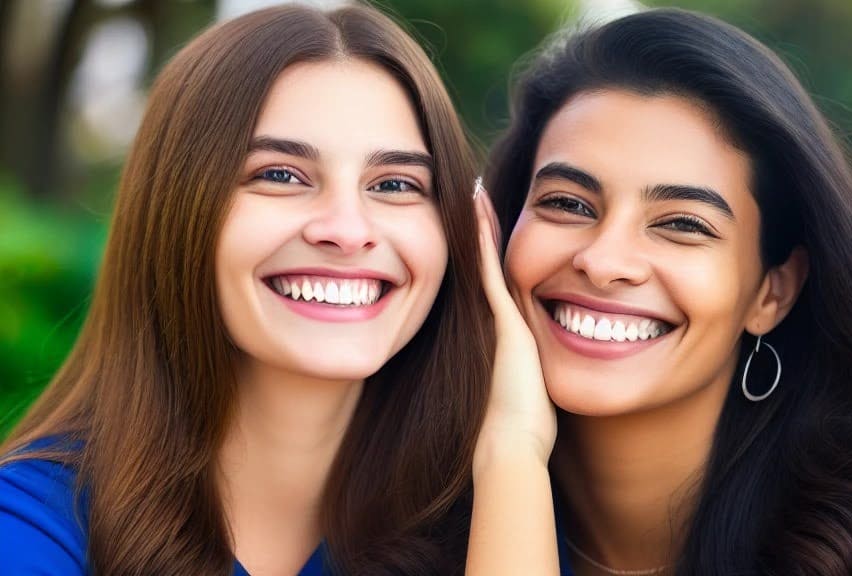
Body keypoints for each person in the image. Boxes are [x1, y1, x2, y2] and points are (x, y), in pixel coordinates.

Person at [469, 8, 852, 575]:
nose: (602, 262)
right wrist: (510, 457)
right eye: (567, 203)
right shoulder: (399, 517)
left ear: (772, 293)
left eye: (682, 224)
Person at [0, 4, 490, 574]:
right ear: (176, 211)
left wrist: (512, 452)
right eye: (280, 175)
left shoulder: (501, 518)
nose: (347, 230)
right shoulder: (32, 528)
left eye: (396, 184)